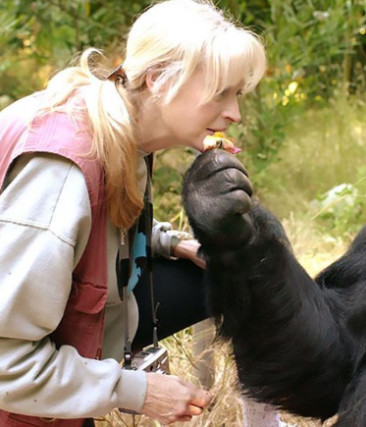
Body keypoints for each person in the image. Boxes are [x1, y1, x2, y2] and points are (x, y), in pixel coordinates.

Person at [0, 0, 266, 425]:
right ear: (160, 80)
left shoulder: (118, 124)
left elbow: (92, 228)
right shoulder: (62, 174)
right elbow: (4, 364)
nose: (234, 113)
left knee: (228, 273)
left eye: (237, 94)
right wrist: (137, 391)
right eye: (221, 93)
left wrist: (169, 241)